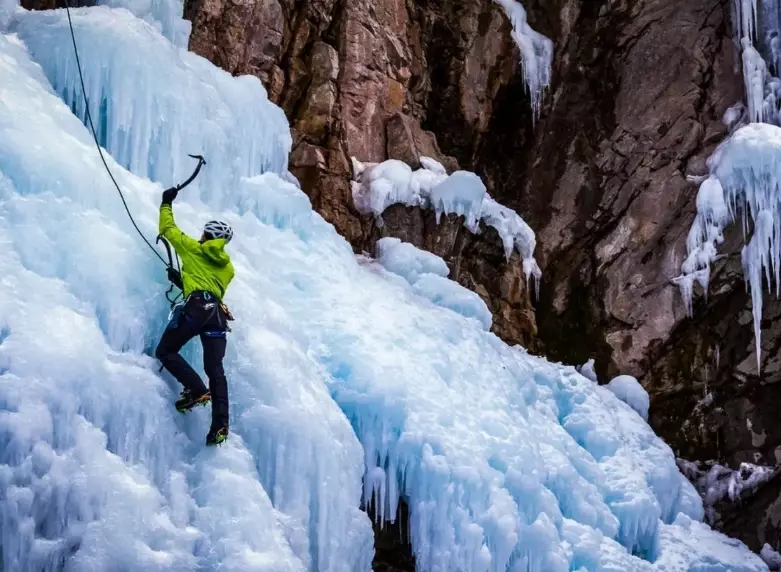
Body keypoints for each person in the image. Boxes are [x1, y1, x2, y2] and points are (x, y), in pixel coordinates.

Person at [155, 186, 235, 446]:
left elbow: (168, 230)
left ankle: (196, 389)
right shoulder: (228, 268)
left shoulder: (193, 249)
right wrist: (182, 281)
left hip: (197, 308)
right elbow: (209, 285)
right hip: (218, 317)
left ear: (206, 234)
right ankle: (220, 426)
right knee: (216, 370)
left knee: (166, 351)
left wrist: (166, 203)